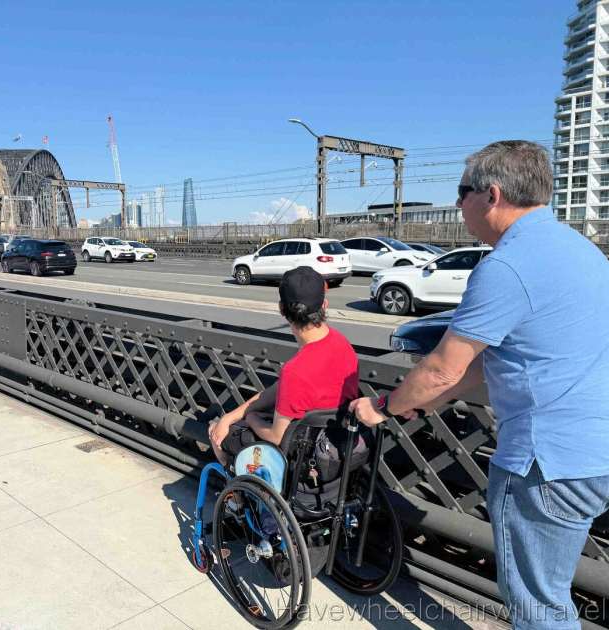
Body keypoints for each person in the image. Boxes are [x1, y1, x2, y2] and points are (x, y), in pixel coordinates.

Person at [350, 140, 609, 630]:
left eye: (460, 192)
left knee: (538, 606)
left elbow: (442, 369)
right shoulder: (581, 250)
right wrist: (423, 402)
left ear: (490, 195)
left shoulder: (506, 266)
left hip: (543, 463)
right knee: (553, 594)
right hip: (594, 452)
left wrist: (383, 406)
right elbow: (482, 364)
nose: (457, 204)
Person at [208, 266, 359, 467]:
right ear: (324, 305)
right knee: (229, 421)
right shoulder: (344, 346)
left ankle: (235, 487)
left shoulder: (296, 370)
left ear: (281, 309)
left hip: (300, 458)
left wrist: (251, 419)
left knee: (214, 429)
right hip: (334, 448)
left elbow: (276, 436)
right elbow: (279, 391)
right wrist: (232, 416)